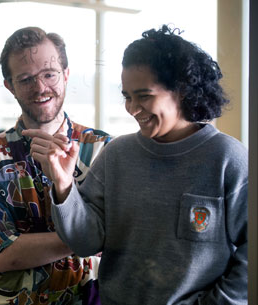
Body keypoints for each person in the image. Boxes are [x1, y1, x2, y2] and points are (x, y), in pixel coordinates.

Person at [24, 25, 248, 305]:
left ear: (181, 90)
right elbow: (85, 243)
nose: (131, 108)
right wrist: (63, 184)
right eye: (127, 96)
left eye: (144, 96)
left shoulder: (228, 158)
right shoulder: (117, 154)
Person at [0, 27, 111, 304]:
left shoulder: (103, 150)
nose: (40, 87)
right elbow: (2, 255)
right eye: (26, 79)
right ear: (9, 85)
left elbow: (125, 235)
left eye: (49, 74)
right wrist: (92, 236)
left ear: (66, 74)